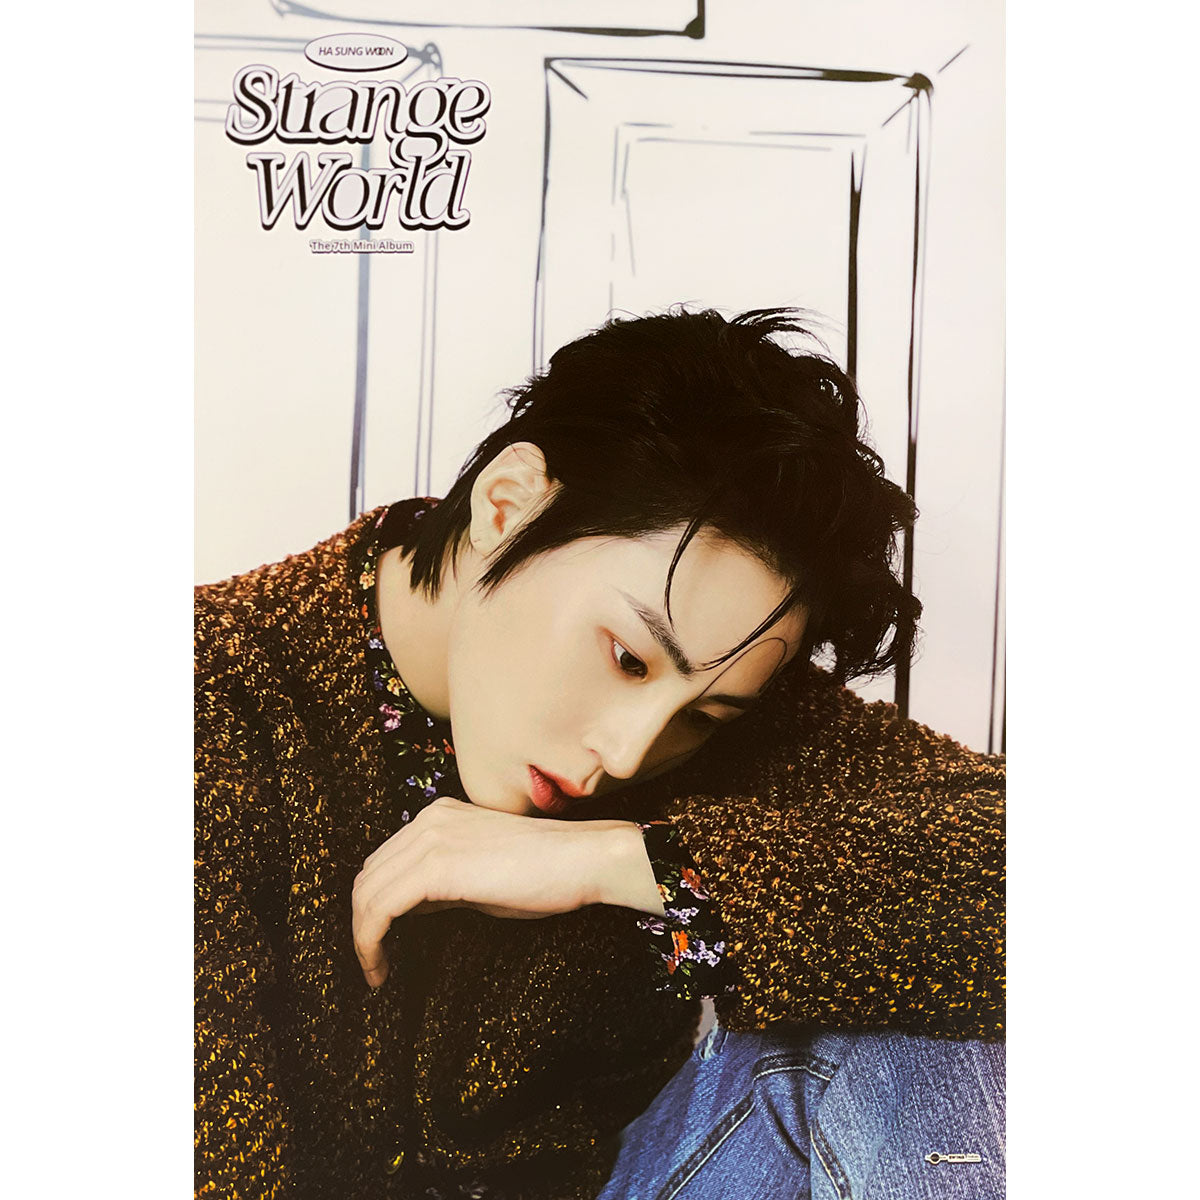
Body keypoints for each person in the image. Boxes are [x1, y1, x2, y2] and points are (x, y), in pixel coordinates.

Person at [195, 308, 1005, 1199]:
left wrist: (627, 863)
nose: (628, 753)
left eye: (708, 715)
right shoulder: (208, 696)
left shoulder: (705, 704)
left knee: (931, 1022)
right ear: (507, 506)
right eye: (626, 657)